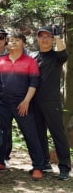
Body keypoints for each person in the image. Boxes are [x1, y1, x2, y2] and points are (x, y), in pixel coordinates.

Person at [0, 32, 44, 179]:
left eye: (17, 40)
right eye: (11, 41)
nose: (13, 43)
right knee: (1, 134)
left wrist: (26, 101)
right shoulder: (1, 60)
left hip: (22, 104)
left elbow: (34, 82)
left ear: (24, 44)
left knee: (30, 134)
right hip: (3, 103)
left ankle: (38, 166)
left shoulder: (30, 61)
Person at [32, 26, 70, 180]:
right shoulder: (34, 58)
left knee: (58, 134)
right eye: (42, 36)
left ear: (52, 39)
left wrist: (58, 37)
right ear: (38, 39)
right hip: (35, 102)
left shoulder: (56, 57)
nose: (45, 39)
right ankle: (44, 164)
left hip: (52, 102)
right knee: (39, 133)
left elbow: (63, 53)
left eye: (48, 36)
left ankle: (65, 167)